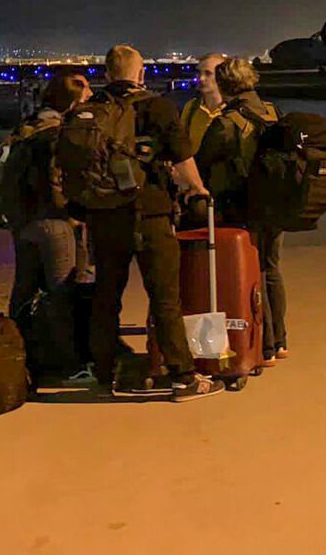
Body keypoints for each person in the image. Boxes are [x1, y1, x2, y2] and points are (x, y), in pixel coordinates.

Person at [83, 45, 222, 401]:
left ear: (107, 74)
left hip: (104, 216)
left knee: (106, 295)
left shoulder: (91, 110)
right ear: (141, 73)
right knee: (165, 299)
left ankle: (103, 371)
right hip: (150, 214)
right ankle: (182, 377)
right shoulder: (156, 107)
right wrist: (199, 189)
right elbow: (183, 158)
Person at [195, 57, 289, 365]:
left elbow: (201, 161)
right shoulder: (273, 111)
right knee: (271, 268)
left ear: (224, 85)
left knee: (253, 272)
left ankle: (265, 346)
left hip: (244, 206)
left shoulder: (227, 123)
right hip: (276, 203)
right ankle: (281, 340)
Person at [8, 71, 93, 382]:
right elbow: (55, 179)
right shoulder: (58, 132)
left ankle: (18, 353)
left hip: (23, 220)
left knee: (24, 289)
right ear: (71, 101)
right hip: (53, 223)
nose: (90, 99)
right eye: (85, 95)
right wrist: (72, 214)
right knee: (62, 293)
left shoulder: (29, 125)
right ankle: (68, 364)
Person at [180, 52, 226, 154]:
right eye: (199, 73)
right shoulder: (191, 108)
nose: (201, 78)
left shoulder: (235, 110)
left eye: (208, 73)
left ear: (222, 76)